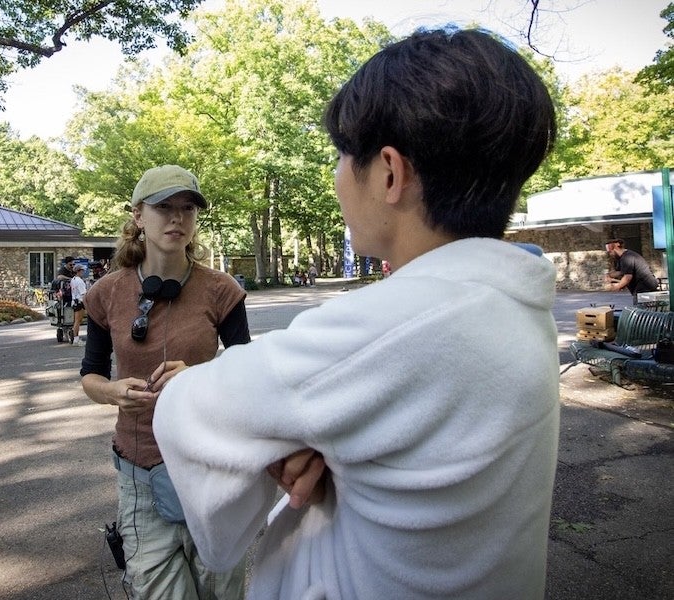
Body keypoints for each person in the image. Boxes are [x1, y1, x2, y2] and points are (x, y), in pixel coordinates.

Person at [153, 27, 560, 599]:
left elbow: (189, 411)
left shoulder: (389, 325)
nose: (338, 177)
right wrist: (322, 444)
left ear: (390, 173)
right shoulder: (515, 302)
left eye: (343, 156)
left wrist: (280, 440)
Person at [79, 164, 251, 599]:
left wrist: (199, 377)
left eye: (187, 208)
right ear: (138, 216)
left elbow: (249, 373)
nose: (177, 218)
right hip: (140, 474)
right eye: (164, 207)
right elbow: (91, 375)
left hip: (212, 470)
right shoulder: (105, 293)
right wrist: (112, 392)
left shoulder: (222, 290)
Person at [604, 238, 658, 302]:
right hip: (642, 286)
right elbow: (621, 272)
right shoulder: (622, 258)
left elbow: (627, 277)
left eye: (610, 252)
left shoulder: (627, 257)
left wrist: (617, 286)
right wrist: (608, 275)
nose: (610, 254)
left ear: (616, 248)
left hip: (645, 286)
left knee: (640, 307)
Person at [70, 263, 87, 346]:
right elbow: (83, 293)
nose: (83, 272)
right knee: (78, 321)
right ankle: (76, 340)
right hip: (79, 302)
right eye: (82, 270)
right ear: (79, 271)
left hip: (74, 301)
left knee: (76, 321)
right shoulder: (79, 281)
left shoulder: (73, 280)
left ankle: (76, 339)